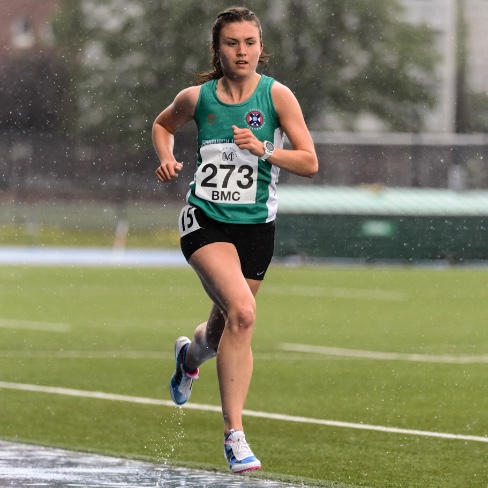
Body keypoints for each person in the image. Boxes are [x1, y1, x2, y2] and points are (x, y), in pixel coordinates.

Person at [153, 6, 318, 474]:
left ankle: (188, 358)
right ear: (217, 49)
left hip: (256, 229)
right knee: (243, 313)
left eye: (250, 42)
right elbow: (163, 125)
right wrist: (166, 157)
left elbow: (309, 161)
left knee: (221, 330)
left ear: (261, 48)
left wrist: (265, 149)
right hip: (205, 221)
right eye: (232, 43)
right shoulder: (197, 98)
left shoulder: (277, 96)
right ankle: (234, 435)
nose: (241, 51)